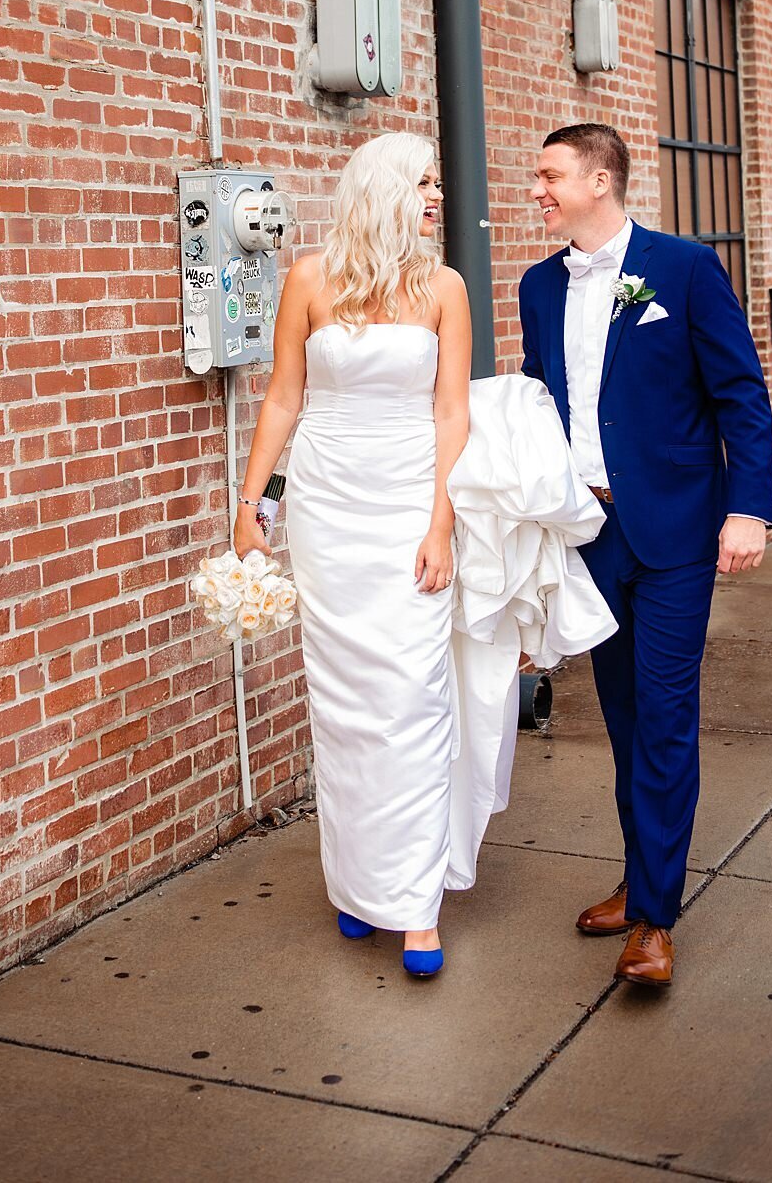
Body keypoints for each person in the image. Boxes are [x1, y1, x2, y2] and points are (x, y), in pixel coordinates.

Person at [232, 131, 616, 978]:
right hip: (329, 508)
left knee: (411, 696)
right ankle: (357, 884)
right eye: (424, 180)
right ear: (381, 189)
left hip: (410, 500)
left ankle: (415, 905)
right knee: (343, 703)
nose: (438, 194)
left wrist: (441, 525)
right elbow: (284, 398)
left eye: (439, 179)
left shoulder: (444, 287)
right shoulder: (309, 278)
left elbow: (452, 417)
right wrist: (254, 504)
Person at [520, 123, 772, 988]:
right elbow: (536, 409)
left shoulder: (684, 268)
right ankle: (639, 881)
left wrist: (748, 506)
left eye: (551, 176)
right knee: (625, 720)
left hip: (673, 531)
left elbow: (740, 391)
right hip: (587, 534)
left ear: (600, 179)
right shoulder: (535, 285)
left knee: (665, 716)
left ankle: (656, 921)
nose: (540, 190)